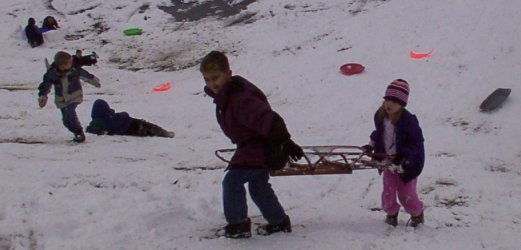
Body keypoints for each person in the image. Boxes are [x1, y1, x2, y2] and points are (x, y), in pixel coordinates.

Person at [200, 51, 304, 239]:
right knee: (258, 184)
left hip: (260, 149)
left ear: (228, 74)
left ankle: (238, 225)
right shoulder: (228, 94)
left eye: (216, 78)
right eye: (207, 80)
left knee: (232, 182)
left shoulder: (240, 98)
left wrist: (286, 143)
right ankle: (279, 221)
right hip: (255, 147)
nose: (212, 84)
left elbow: (270, 121)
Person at [362, 79, 425, 227]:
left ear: (402, 104)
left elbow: (416, 143)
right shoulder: (380, 116)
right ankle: (391, 213)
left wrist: (403, 154)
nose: (389, 104)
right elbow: (379, 134)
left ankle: (417, 213)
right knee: (388, 192)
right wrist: (371, 146)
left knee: (406, 195)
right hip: (388, 162)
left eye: (395, 102)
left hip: (407, 164)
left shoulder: (409, 121)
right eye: (387, 100)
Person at [37, 51, 101, 142]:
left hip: (75, 95)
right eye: (69, 63)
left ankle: (79, 132)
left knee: (69, 113)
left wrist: (93, 80)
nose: (71, 64)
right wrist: (43, 96)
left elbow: (84, 74)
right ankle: (76, 132)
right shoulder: (52, 74)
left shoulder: (74, 69)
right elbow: (45, 85)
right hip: (62, 100)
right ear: (61, 66)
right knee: (66, 120)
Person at [85, 99, 175, 138]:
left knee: (147, 127)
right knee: (148, 127)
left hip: (129, 125)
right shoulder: (108, 120)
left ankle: (165, 133)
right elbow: (115, 123)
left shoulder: (96, 122)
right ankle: (165, 133)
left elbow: (90, 129)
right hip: (129, 125)